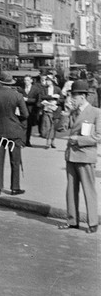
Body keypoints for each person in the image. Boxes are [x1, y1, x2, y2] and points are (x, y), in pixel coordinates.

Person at [59, 80, 99, 234]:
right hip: (71, 156)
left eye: (74, 97)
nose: (71, 100)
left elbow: (98, 136)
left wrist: (79, 140)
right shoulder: (73, 112)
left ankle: (93, 223)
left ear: (82, 96)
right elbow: (61, 129)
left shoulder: (96, 112)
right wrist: (66, 114)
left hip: (86, 156)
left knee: (89, 190)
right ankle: (72, 220)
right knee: (71, 190)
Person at [0, 71, 28, 196]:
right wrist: (18, 122)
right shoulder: (17, 96)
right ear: (10, 83)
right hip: (14, 132)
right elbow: (25, 114)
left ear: (0, 82)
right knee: (15, 161)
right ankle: (15, 188)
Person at [39, 74, 62, 149]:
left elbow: (62, 99)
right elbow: (41, 97)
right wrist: (52, 96)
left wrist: (56, 102)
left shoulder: (58, 89)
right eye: (46, 80)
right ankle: (48, 142)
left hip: (55, 110)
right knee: (48, 126)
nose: (47, 82)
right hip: (47, 109)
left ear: (52, 81)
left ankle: (53, 141)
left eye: (48, 80)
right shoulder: (44, 89)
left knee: (54, 126)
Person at [22, 74, 42, 147]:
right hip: (23, 109)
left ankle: (27, 141)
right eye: (25, 80)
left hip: (31, 110)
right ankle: (22, 141)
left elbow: (37, 100)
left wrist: (27, 99)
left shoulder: (36, 89)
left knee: (29, 126)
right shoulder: (21, 88)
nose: (26, 82)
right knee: (23, 126)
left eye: (27, 80)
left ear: (31, 80)